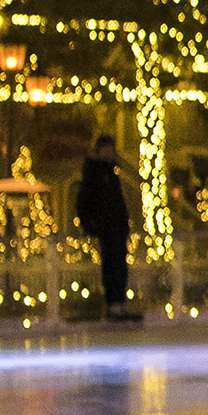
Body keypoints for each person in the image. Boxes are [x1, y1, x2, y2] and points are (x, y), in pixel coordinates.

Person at [74, 135, 135, 317]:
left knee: (119, 265)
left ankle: (119, 303)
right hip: (106, 228)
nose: (110, 153)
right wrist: (92, 224)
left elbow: (117, 202)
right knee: (111, 265)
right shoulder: (95, 173)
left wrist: (123, 222)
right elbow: (84, 201)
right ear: (99, 151)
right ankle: (113, 304)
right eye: (106, 149)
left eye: (111, 149)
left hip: (116, 228)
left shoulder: (111, 173)